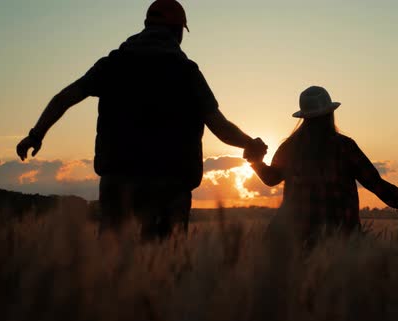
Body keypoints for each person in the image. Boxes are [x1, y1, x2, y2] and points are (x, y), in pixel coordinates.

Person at [16, 0, 267, 240]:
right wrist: (250, 144)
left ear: (147, 26)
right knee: (165, 267)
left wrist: (36, 135)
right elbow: (219, 126)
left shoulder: (113, 64)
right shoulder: (186, 72)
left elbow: (64, 98)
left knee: (115, 269)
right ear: (177, 30)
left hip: (118, 182)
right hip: (170, 185)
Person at [244, 86, 398, 244]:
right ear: (330, 114)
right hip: (341, 239)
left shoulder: (290, 147)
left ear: (304, 118)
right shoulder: (345, 147)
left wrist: (255, 161)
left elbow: (270, 178)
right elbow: (376, 184)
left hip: (295, 239)